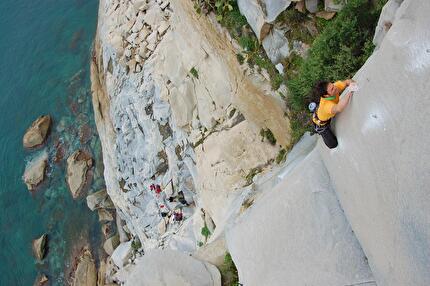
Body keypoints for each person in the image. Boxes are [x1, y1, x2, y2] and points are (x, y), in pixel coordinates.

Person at [311, 79, 355, 149]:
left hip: (326, 112)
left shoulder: (334, 87)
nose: (335, 88)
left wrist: (352, 84)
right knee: (333, 144)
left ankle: (317, 110)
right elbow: (339, 108)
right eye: (332, 89)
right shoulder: (326, 105)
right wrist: (350, 91)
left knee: (329, 112)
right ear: (326, 96)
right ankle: (318, 130)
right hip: (322, 123)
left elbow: (347, 81)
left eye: (333, 85)